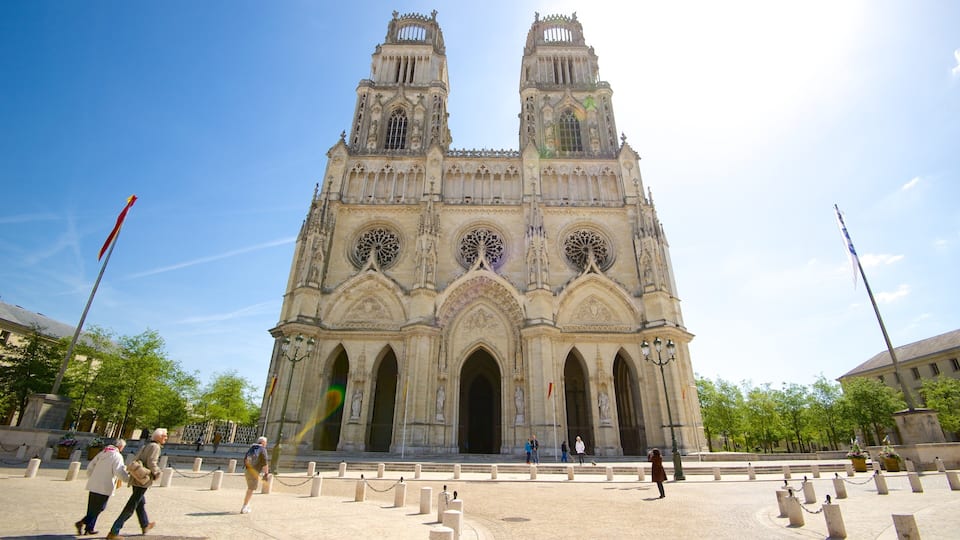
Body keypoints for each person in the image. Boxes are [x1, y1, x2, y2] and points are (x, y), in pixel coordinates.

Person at [107, 428, 166, 539]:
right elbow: (152, 462)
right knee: (131, 505)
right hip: (143, 480)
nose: (166, 438)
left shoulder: (146, 445)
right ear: (158, 437)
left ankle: (145, 525)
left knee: (140, 503)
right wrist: (158, 473)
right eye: (165, 436)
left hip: (136, 478)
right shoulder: (156, 447)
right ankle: (114, 531)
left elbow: (136, 459)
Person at [75, 439, 130, 536]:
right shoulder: (117, 456)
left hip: (94, 483)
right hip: (105, 485)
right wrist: (128, 479)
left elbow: (91, 466)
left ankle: (89, 528)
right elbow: (119, 471)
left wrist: (92, 476)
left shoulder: (102, 453)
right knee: (100, 507)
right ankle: (82, 522)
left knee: (91, 507)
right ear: (120, 447)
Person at [241, 436, 270, 514]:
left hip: (247, 470)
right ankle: (244, 506)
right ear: (263, 443)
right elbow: (265, 463)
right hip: (254, 472)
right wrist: (266, 474)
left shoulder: (252, 448)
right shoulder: (263, 450)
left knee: (250, 488)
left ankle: (247, 504)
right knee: (251, 489)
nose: (266, 444)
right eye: (266, 443)